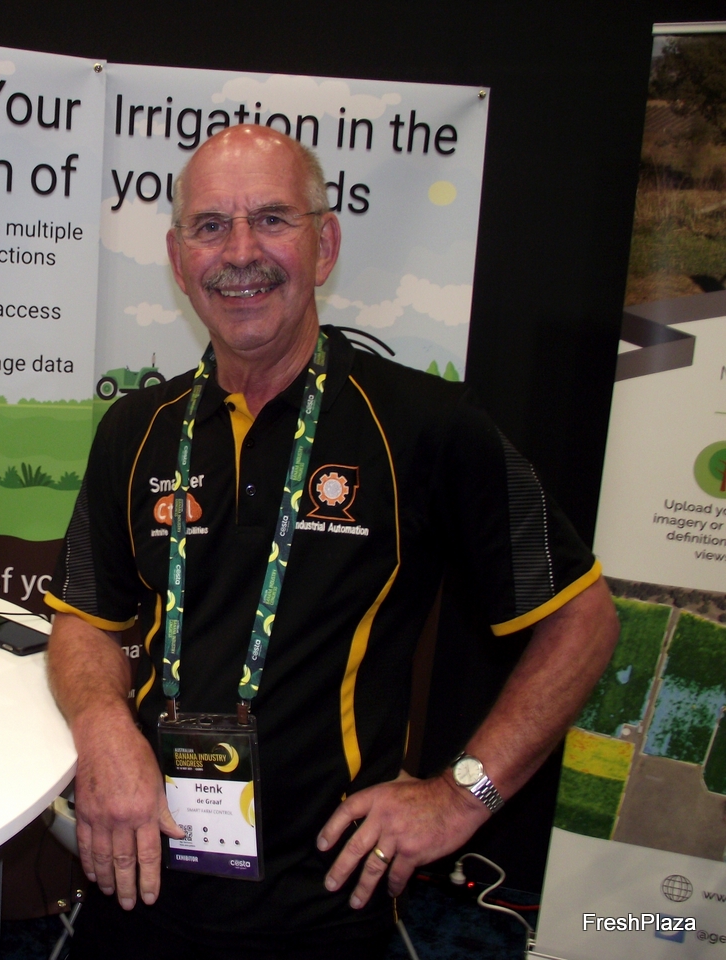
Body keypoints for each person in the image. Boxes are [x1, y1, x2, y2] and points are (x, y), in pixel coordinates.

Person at [42, 124, 618, 958]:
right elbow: (85, 619)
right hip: (140, 874)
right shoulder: (136, 428)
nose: (241, 252)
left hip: (324, 904)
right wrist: (102, 728)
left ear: (326, 244)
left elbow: (584, 619)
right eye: (211, 226)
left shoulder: (427, 425)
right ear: (177, 257)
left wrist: (464, 796)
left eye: (273, 218)